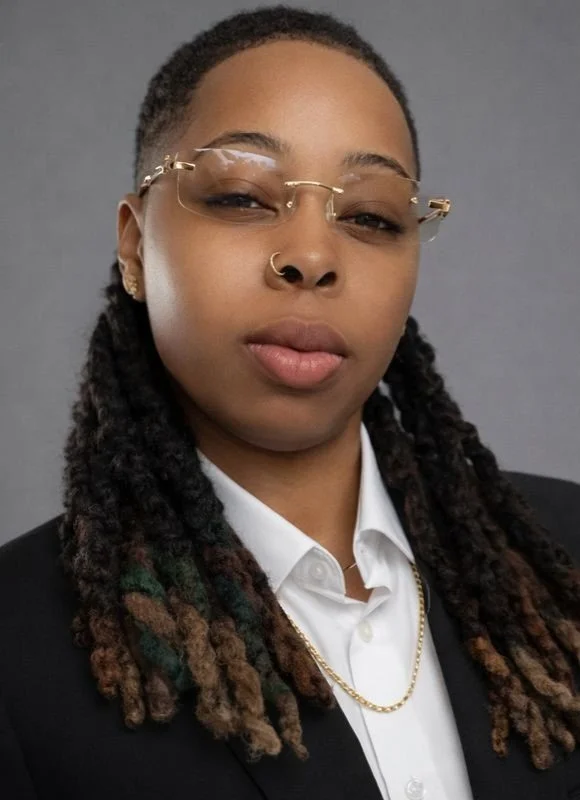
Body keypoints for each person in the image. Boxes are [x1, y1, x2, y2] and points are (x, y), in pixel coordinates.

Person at [1, 5, 579, 799]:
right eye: (242, 196)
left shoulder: (566, 566)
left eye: (371, 215)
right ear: (136, 246)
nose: (312, 255)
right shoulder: (15, 649)